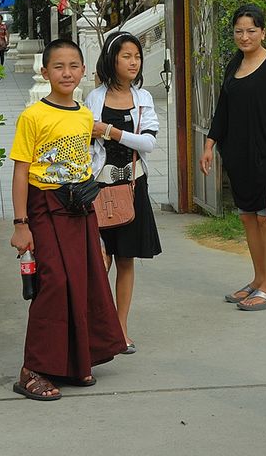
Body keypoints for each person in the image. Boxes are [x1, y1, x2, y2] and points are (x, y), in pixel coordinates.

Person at [9, 38, 126, 400]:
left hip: (80, 208)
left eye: (73, 66)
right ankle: (32, 370)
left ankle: (76, 364)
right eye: (58, 66)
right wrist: (20, 223)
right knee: (54, 283)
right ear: (45, 72)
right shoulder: (33, 116)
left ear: (83, 72)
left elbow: (86, 163)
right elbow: (20, 171)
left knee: (86, 279)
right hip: (44, 207)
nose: (66, 72)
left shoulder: (84, 116)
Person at [199, 3, 266, 311]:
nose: (245, 37)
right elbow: (223, 110)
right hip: (238, 155)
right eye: (239, 31)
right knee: (247, 217)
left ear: (263, 32)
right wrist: (209, 144)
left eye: (251, 30)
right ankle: (257, 280)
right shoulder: (234, 65)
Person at [85, 31, 162, 354]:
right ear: (112, 59)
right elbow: (88, 139)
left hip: (132, 184)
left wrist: (111, 131)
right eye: (126, 56)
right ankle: (95, 329)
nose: (133, 62)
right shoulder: (94, 98)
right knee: (100, 260)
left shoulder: (143, 98)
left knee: (126, 259)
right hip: (101, 187)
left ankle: (121, 329)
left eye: (137, 57)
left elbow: (148, 142)